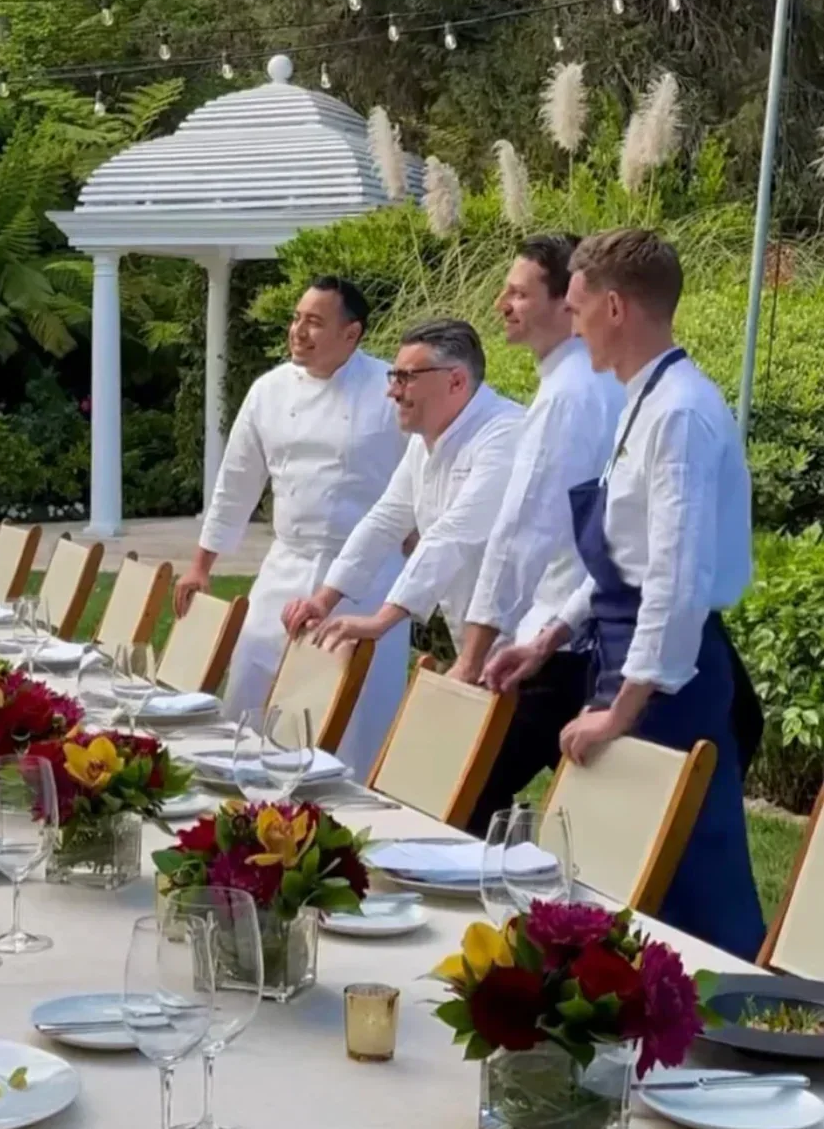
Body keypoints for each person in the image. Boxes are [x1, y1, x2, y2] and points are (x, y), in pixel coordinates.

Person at [486, 229, 765, 959]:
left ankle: (717, 1043)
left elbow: (672, 582)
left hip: (668, 683)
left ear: (613, 307)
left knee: (681, 886)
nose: (572, 326)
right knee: (617, 879)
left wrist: (620, 710)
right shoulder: (643, 400)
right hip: (626, 662)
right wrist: (548, 634)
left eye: (576, 310)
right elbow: (622, 555)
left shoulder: (677, 413)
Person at [173, 275, 410, 776]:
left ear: (352, 334)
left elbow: (424, 479)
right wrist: (201, 565)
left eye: (315, 322)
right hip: (286, 565)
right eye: (297, 319)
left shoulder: (393, 390)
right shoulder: (269, 391)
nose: (299, 331)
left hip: (367, 576)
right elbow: (235, 483)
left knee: (360, 711)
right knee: (252, 687)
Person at [449, 235, 624, 836]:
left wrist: (472, 657)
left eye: (520, 293)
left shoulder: (571, 395)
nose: (502, 303)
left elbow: (521, 531)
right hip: (573, 638)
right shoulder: (588, 383)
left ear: (567, 302)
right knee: (586, 827)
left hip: (565, 650)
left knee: (456, 800)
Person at [283, 319, 523, 665]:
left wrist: (383, 620)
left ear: (456, 380)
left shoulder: (506, 435)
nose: (393, 391)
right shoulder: (426, 439)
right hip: (484, 648)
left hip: (541, 651)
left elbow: (453, 535)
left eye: (407, 377)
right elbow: (385, 520)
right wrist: (323, 600)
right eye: (393, 376)